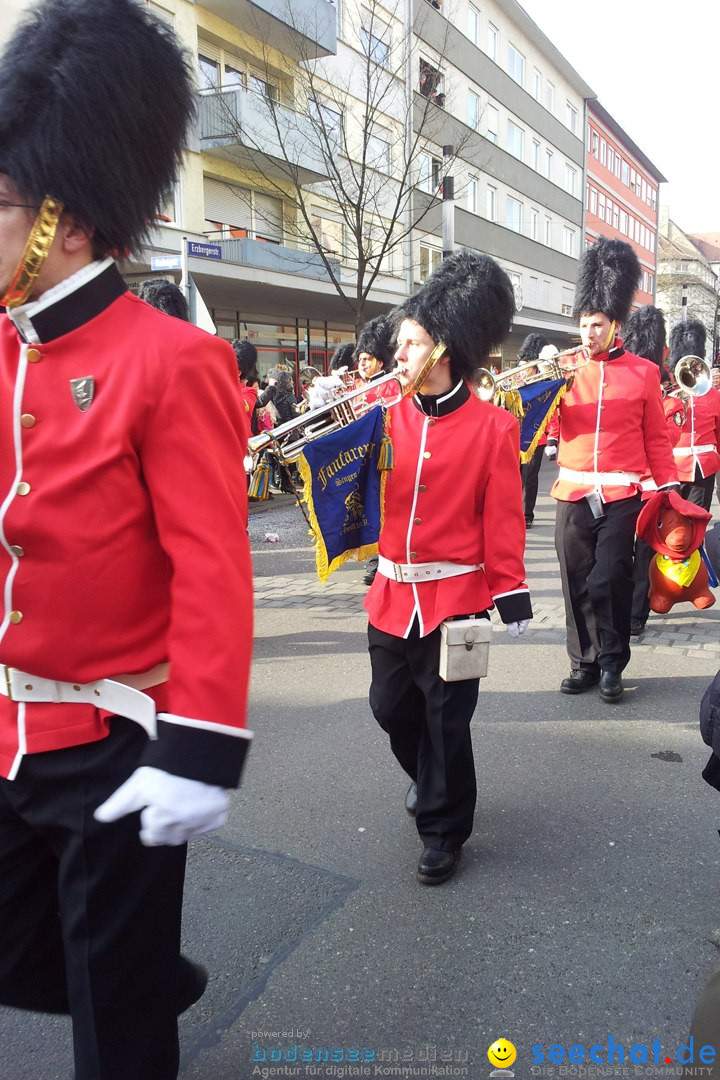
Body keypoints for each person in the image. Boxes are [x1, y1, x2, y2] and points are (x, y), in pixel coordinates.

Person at [0, 4, 254, 1080]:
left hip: (112, 743)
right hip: (10, 727)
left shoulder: (171, 361)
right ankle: (144, 968)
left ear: (62, 214)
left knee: (118, 1044)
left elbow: (211, 565)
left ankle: (134, 983)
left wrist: (200, 741)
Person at [364, 251, 532, 886]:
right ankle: (432, 782)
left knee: (447, 720)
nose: (399, 355)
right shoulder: (381, 417)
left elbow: (502, 516)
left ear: (444, 350)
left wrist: (509, 586)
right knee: (390, 709)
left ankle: (443, 829)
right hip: (389, 594)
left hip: (456, 598)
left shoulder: (494, 427)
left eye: (412, 345)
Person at [546, 238, 678, 703]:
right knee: (575, 579)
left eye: (596, 324)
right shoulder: (563, 369)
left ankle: (611, 664)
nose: (588, 333)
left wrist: (668, 489)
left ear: (614, 324)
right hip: (572, 491)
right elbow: (543, 429)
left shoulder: (643, 372)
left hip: (624, 494)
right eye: (583, 324)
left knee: (610, 579)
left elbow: (656, 438)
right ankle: (582, 660)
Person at [621, 306, 684, 636]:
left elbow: (669, 437)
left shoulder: (673, 397)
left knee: (645, 549)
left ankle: (636, 612)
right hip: (622, 481)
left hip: (651, 484)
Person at [353, 315, 396, 586]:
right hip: (363, 452)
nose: (362, 364)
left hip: (384, 452)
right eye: (360, 360)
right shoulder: (357, 385)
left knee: (382, 507)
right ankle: (372, 557)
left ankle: (379, 561)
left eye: (367, 359)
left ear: (379, 361)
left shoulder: (390, 384)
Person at [668, 320, 720, 511]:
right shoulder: (668, 395)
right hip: (671, 467)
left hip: (703, 466)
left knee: (695, 524)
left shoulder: (713, 395)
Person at [516, 332, 551, 527]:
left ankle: (526, 515)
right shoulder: (516, 381)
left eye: (528, 365)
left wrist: (553, 437)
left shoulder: (545, 383)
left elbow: (551, 411)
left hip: (537, 436)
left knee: (529, 477)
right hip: (515, 433)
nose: (523, 370)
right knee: (513, 476)